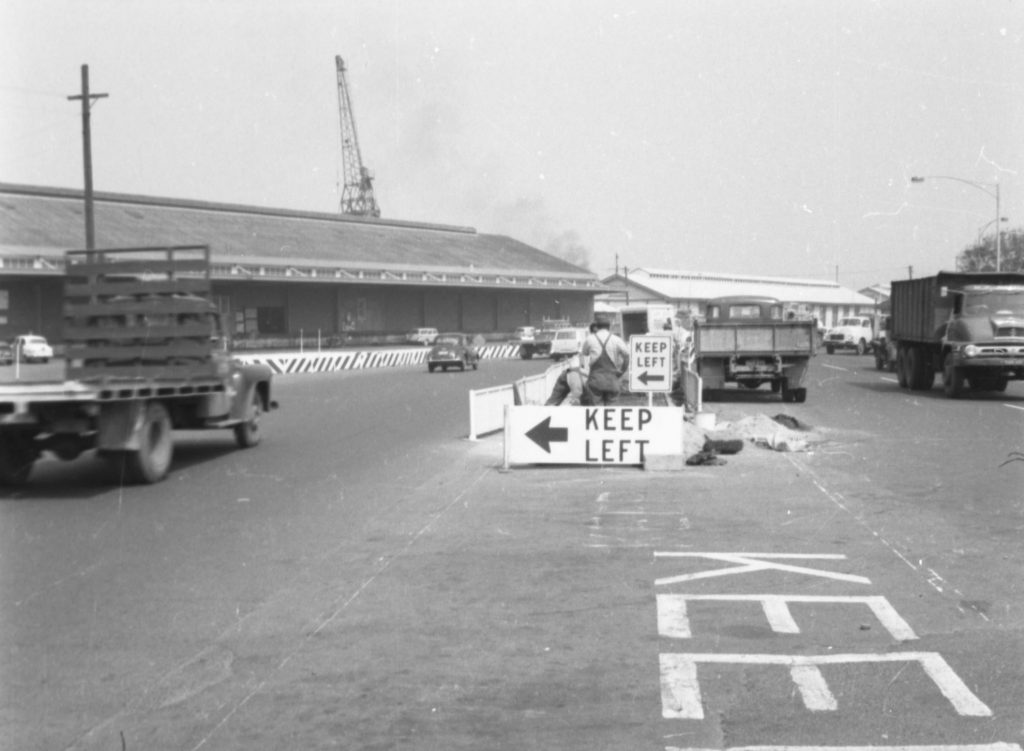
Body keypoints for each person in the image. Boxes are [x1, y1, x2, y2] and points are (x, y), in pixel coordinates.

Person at [581, 319, 629, 405]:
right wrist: (622, 371)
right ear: (609, 327)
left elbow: (583, 357)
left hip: (595, 381)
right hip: (612, 381)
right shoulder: (616, 339)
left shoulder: (590, 339)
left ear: (596, 327)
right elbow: (627, 356)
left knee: (596, 412)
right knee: (611, 413)